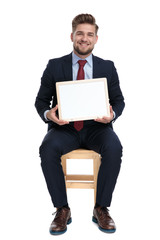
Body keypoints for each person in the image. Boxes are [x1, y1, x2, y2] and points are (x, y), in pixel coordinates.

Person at [35, 13, 125, 235]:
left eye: (89, 34)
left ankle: (101, 208)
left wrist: (111, 115)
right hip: (64, 129)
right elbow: (40, 101)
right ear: (72, 36)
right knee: (47, 148)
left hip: (97, 128)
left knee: (115, 147)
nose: (84, 38)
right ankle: (62, 209)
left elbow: (119, 101)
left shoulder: (108, 67)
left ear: (96, 39)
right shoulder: (55, 66)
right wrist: (49, 114)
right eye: (80, 34)